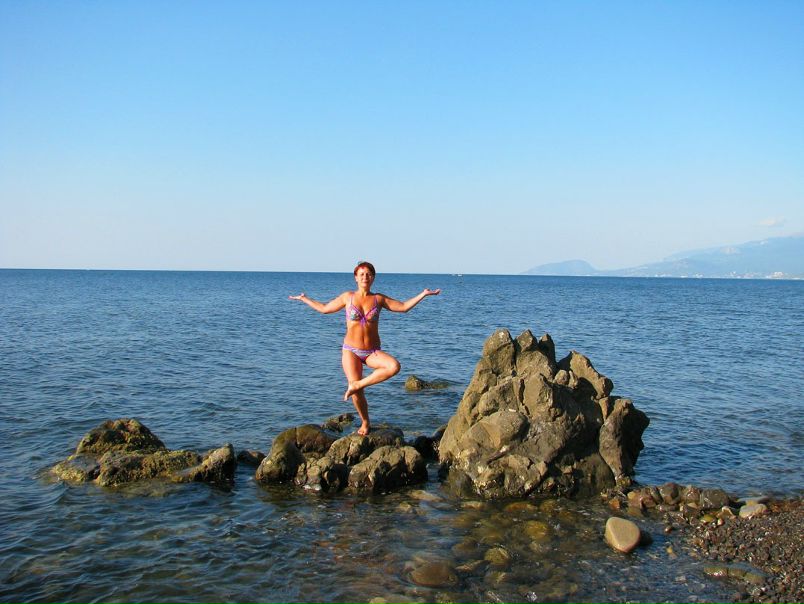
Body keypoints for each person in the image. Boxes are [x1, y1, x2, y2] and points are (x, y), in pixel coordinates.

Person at [289, 261, 440, 436]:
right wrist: (304, 298)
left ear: (373, 277)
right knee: (357, 393)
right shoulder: (348, 297)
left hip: (371, 352)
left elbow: (404, 307)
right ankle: (365, 422)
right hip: (351, 350)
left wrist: (423, 294)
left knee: (393, 366)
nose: (365, 277)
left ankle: (357, 384)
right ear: (355, 278)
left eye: (368, 274)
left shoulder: (378, 299)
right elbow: (324, 309)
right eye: (361, 274)